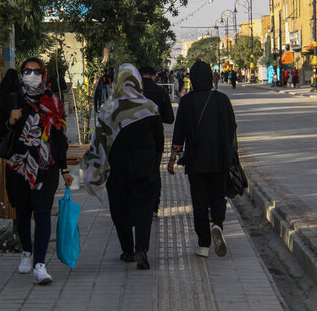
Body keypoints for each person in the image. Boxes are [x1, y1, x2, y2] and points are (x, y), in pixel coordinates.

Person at [0, 57, 71, 285]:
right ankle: (26, 251)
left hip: (46, 166)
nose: (31, 74)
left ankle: (40, 266)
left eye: (36, 71)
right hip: (19, 167)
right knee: (22, 213)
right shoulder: (11, 99)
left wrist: (64, 168)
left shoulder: (53, 100)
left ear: (43, 74)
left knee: (42, 212)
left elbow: (59, 136)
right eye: (26, 70)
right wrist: (9, 122)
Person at [85, 64, 164, 270]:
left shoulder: (107, 109)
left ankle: (127, 251)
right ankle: (142, 249)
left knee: (120, 206)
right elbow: (159, 141)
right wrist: (155, 163)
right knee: (144, 208)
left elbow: (98, 141)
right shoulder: (150, 108)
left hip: (117, 167)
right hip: (145, 165)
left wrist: (95, 167)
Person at [167, 60, 237, 259]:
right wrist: (231, 154)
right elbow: (232, 128)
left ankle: (203, 245)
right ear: (210, 77)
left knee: (199, 202)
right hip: (220, 159)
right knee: (218, 196)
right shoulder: (222, 99)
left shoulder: (186, 102)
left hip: (196, 160)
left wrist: (173, 157)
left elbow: (179, 133)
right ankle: (217, 224)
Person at [139, 66, 175, 220]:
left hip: (134, 139)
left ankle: (138, 206)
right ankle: (153, 208)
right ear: (154, 77)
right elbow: (170, 118)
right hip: (154, 138)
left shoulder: (132, 92)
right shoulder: (160, 92)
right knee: (154, 173)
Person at [0, 69, 21, 219]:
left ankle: (7, 211)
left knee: (5, 181)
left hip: (2, 141)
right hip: (16, 141)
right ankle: (16, 219)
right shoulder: (19, 92)